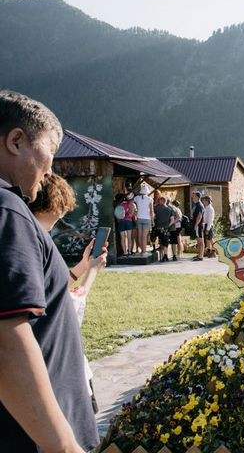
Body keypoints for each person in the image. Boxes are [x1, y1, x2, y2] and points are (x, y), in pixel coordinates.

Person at [0, 90, 99, 452]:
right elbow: (6, 341)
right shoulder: (7, 209)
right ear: (16, 141)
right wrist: (64, 446)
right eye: (51, 153)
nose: (50, 171)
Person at [29, 173, 107, 415]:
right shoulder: (33, 239)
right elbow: (68, 303)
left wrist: (83, 266)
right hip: (54, 367)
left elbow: (52, 284)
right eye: (59, 214)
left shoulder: (29, 235)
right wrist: (92, 271)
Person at [134, 184, 154, 254]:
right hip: (147, 219)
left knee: (139, 235)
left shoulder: (136, 198)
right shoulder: (150, 199)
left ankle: (141, 249)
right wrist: (153, 220)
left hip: (139, 218)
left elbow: (132, 202)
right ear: (147, 192)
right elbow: (151, 211)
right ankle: (144, 251)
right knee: (144, 236)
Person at [154, 196, 174, 262]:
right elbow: (172, 220)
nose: (159, 202)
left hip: (159, 227)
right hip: (166, 228)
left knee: (161, 242)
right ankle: (165, 255)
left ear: (162, 201)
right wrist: (168, 226)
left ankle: (162, 256)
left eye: (159, 201)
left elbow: (154, 217)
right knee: (166, 242)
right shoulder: (170, 209)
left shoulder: (157, 209)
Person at [191, 191, 205, 261]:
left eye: (193, 196)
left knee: (200, 241)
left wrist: (196, 225)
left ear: (197, 197)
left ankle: (200, 256)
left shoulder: (199, 205)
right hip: (196, 225)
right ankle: (199, 255)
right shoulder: (196, 205)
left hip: (198, 225)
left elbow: (199, 216)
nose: (192, 197)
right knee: (198, 241)